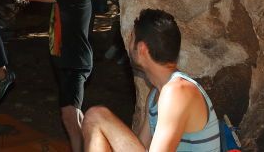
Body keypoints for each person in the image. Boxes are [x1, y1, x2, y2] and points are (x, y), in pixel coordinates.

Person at [0, 0, 99, 152]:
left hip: (75, 62)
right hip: (64, 58)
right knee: (73, 114)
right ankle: (91, 145)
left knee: (68, 115)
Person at [81, 9, 221, 152]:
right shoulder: (156, 95)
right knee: (96, 120)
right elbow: (141, 146)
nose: (128, 42)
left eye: (131, 37)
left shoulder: (178, 92)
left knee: (96, 116)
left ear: (142, 49)